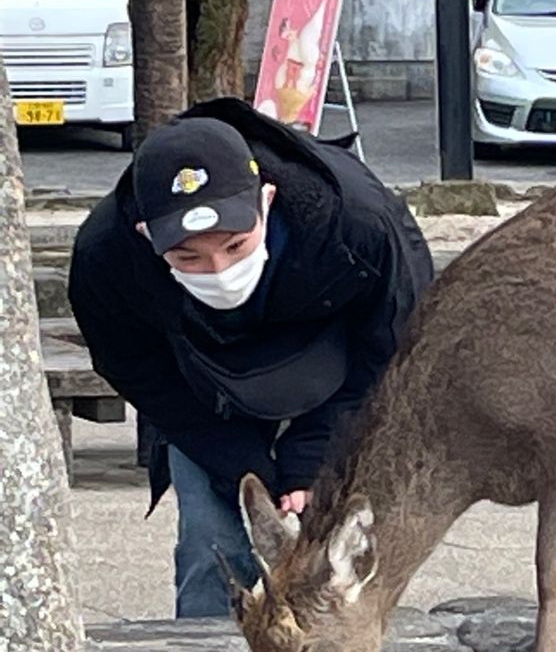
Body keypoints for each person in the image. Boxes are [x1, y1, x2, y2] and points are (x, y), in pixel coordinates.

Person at [69, 101, 433, 617]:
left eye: (236, 246)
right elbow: (139, 371)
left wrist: (318, 451)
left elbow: (395, 346)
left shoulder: (358, 220)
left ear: (267, 200)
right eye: (188, 257)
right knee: (210, 544)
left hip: (340, 379)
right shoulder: (105, 258)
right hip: (202, 391)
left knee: (340, 552)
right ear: (147, 236)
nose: (218, 269)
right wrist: (241, 464)